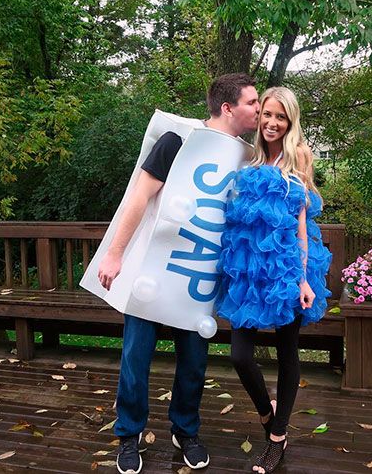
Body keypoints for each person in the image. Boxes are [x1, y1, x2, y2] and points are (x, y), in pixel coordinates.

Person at [98, 73, 260, 474]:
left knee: (194, 361)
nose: (259, 109)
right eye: (253, 102)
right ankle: (129, 434)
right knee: (136, 358)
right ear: (228, 108)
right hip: (153, 273)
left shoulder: (245, 157)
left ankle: (185, 429)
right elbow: (139, 197)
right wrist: (114, 255)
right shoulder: (176, 141)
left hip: (198, 276)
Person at [215, 87, 332, 473]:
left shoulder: (298, 156)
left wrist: (301, 279)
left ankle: (277, 438)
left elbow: (300, 226)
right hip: (251, 270)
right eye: (267, 114)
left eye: (280, 117)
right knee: (239, 355)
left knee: (287, 352)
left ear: (290, 121)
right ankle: (268, 414)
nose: (271, 122)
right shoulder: (248, 159)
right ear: (260, 115)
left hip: (287, 269)